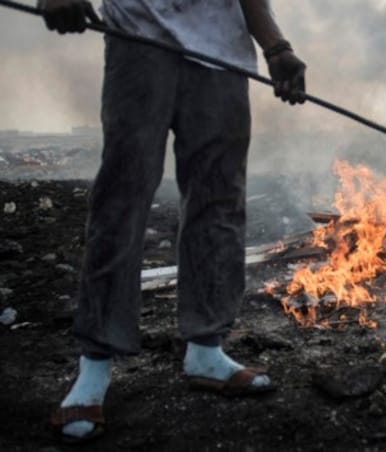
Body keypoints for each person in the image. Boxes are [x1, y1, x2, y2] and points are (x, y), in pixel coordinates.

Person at [39, 0, 307, 443]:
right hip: (139, 39)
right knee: (121, 199)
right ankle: (94, 368)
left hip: (222, 55)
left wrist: (276, 47)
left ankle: (206, 350)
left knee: (219, 202)